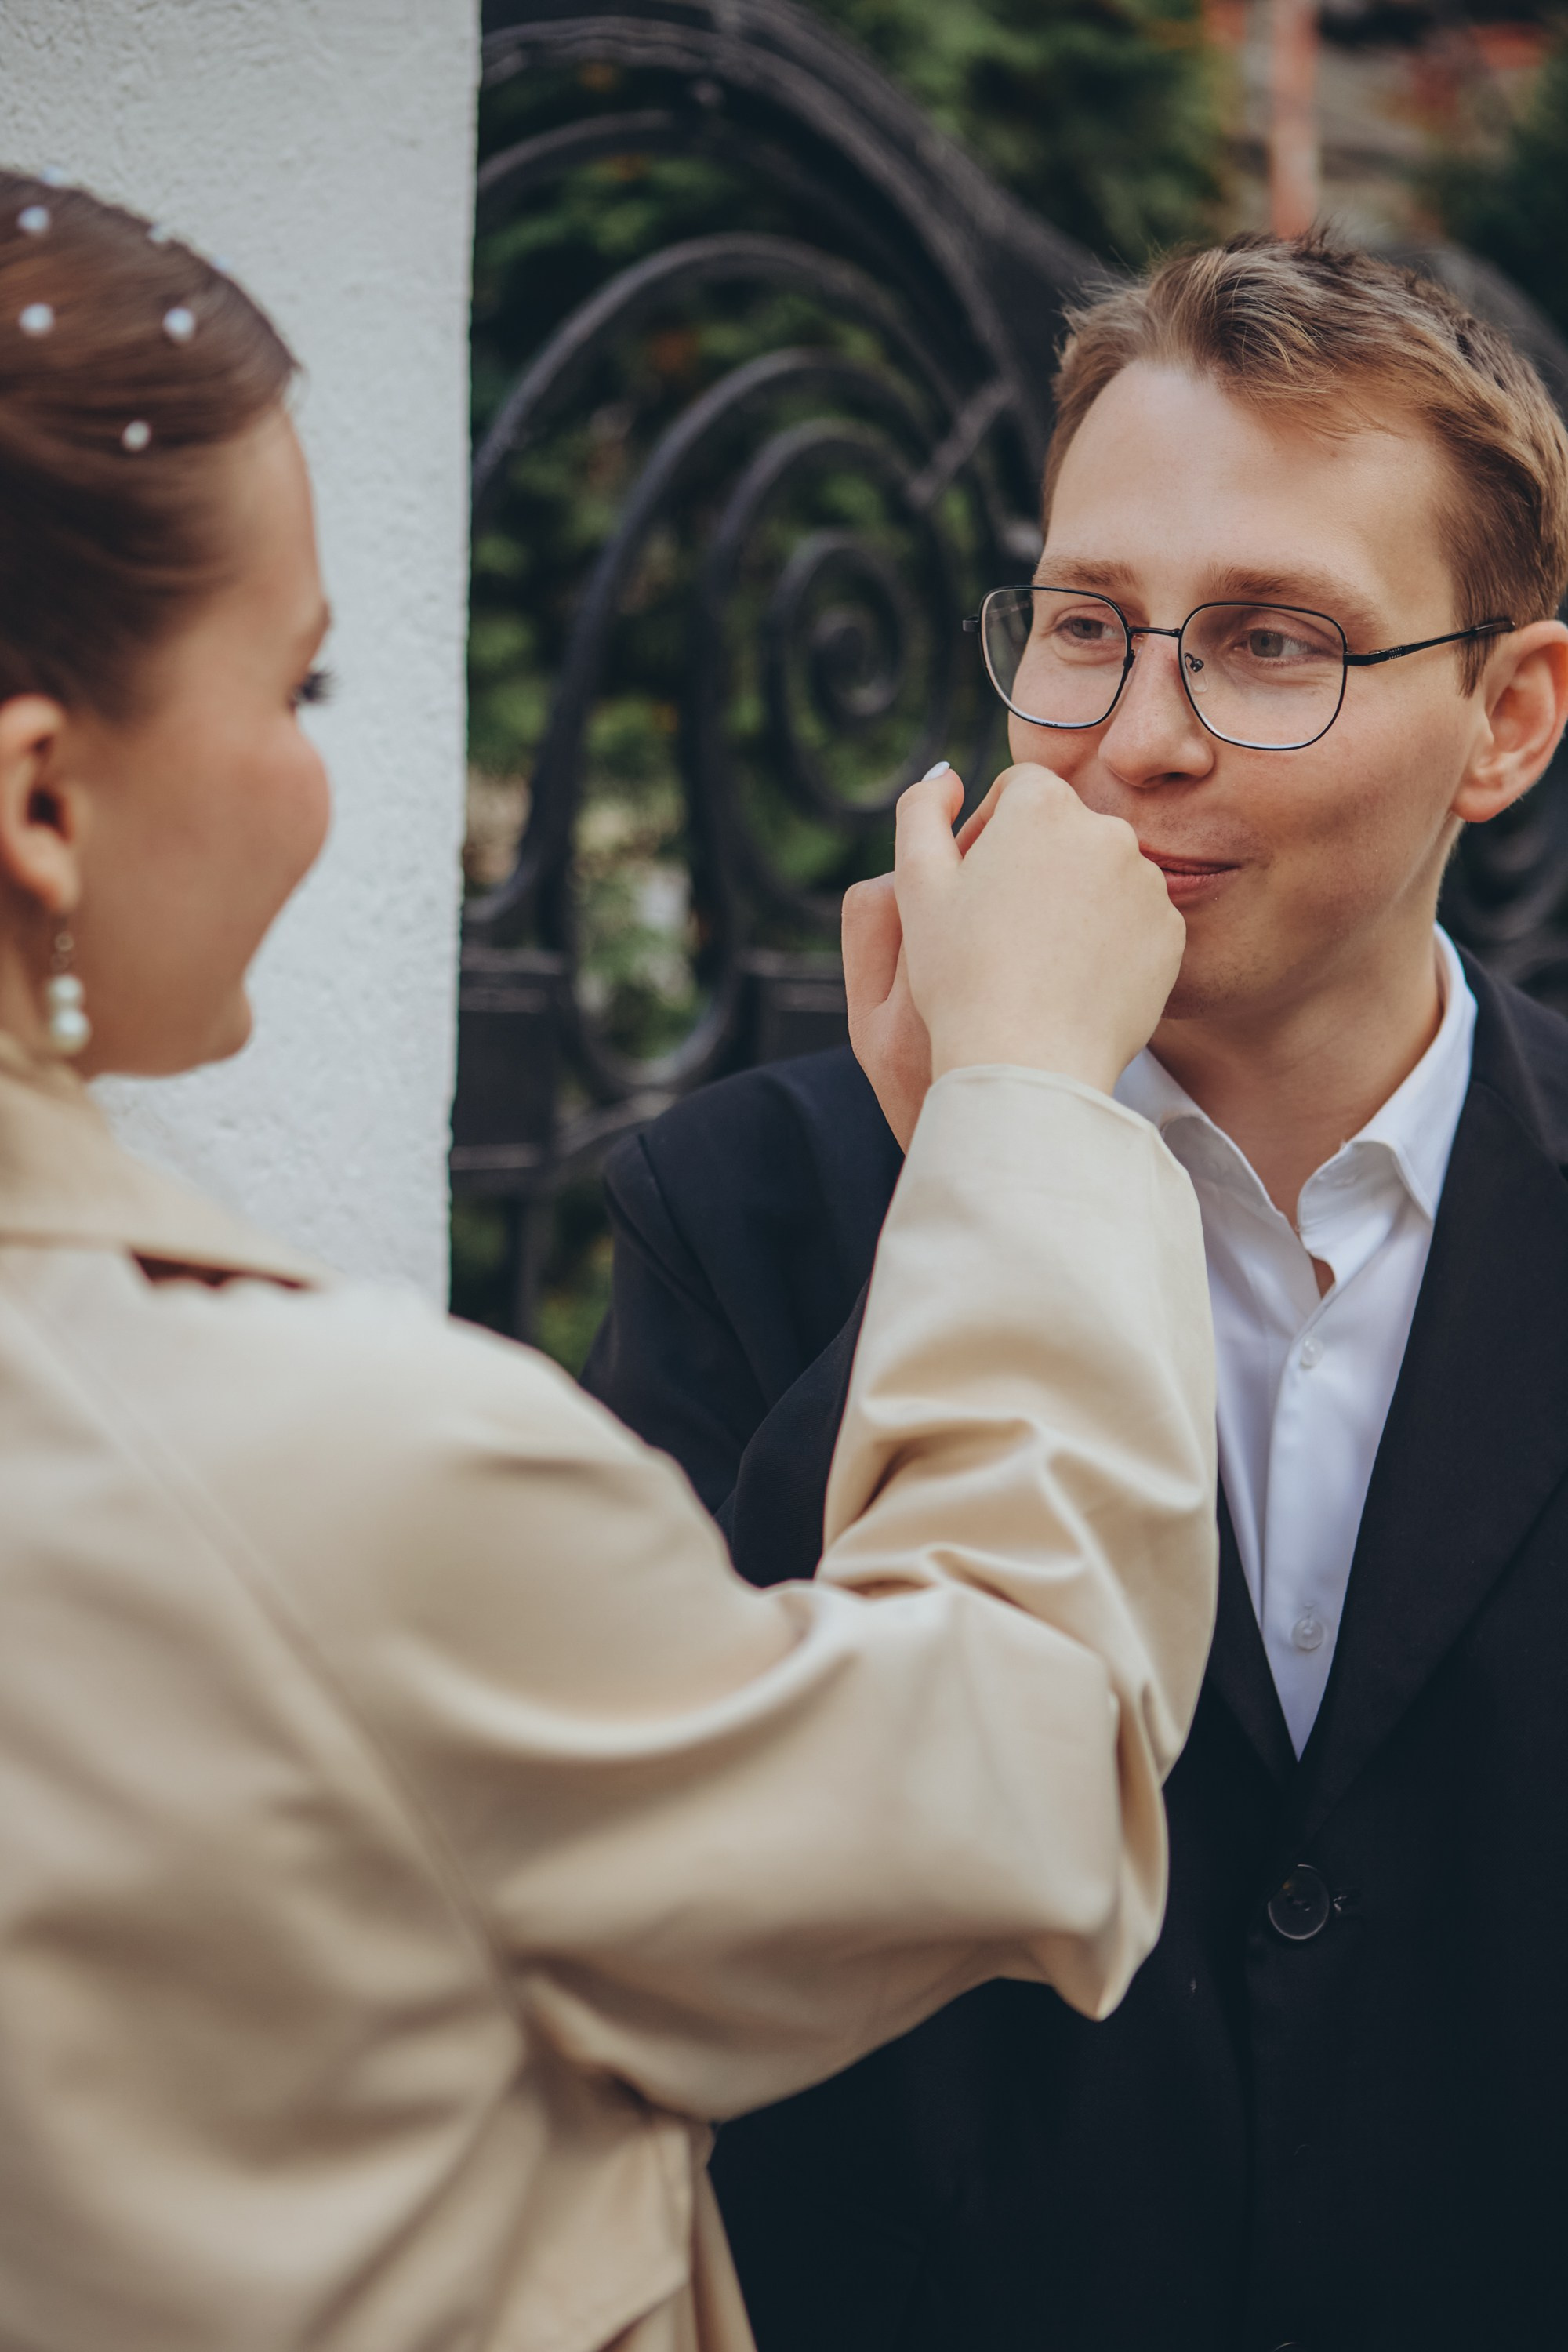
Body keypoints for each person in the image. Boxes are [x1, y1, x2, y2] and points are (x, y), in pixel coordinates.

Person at [0, 174, 1222, 2352]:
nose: (311, 789)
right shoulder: (294, 1473)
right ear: (40, 796)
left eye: (1273, 640)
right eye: (302, 685)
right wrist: (1030, 1100)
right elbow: (1007, 1777)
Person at [583, 234, 1568, 2352]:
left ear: (1507, 719)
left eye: (1272, 642)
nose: (1138, 740)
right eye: (1091, 629)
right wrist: (967, 1170)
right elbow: (680, 1873)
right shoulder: (746, 1202)